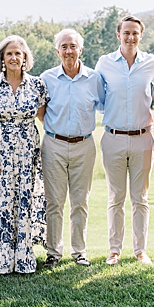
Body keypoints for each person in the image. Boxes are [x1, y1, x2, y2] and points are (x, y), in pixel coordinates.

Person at [0, 35, 49, 274]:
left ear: (25, 57)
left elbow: (44, 117)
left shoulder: (37, 85)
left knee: (23, 201)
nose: (14, 57)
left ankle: (23, 257)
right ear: (2, 59)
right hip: (0, 154)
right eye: (9, 54)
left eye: (19, 53)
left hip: (27, 154)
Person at [94, 14, 154, 266]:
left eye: (135, 33)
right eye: (126, 32)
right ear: (118, 35)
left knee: (140, 197)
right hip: (113, 138)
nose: (130, 37)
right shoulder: (105, 63)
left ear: (141, 35)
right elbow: (100, 98)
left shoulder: (151, 63)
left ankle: (140, 251)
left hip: (143, 138)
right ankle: (114, 251)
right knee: (116, 197)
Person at [39, 28, 104, 268]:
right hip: (54, 144)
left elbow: (104, 106)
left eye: (73, 46)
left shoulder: (94, 78)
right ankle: (53, 252)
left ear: (80, 49)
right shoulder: (47, 78)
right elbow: (41, 111)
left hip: (84, 145)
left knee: (80, 201)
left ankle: (80, 252)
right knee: (54, 201)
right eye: (64, 47)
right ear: (58, 51)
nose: (69, 51)